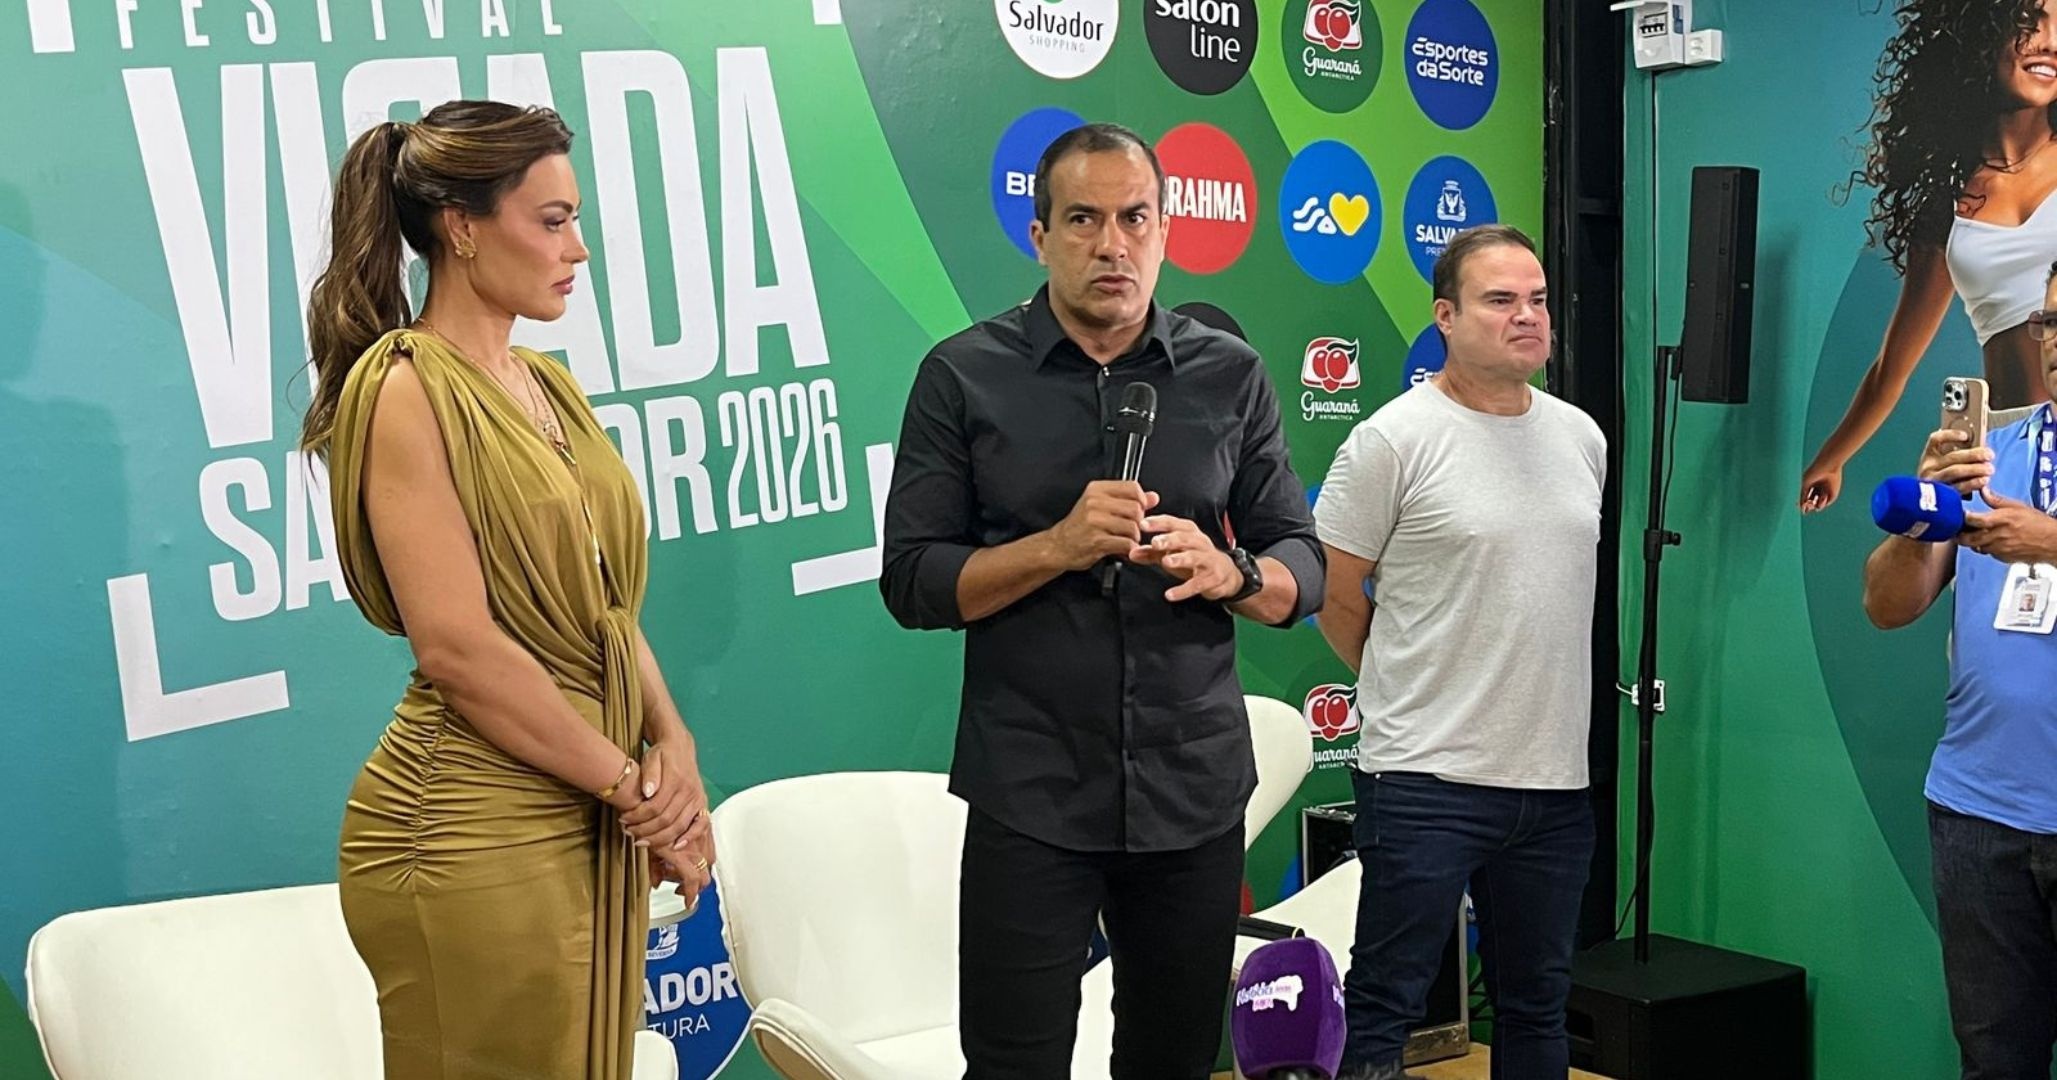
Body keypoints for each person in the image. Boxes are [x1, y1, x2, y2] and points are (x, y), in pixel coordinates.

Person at [879, 121, 1325, 1079]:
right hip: (1031, 788)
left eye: (1135, 219)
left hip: (1191, 790)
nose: (1112, 244)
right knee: (1013, 1065)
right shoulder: (962, 375)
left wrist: (1234, 573)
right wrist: (1055, 546)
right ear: (1039, 236)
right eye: (1083, 219)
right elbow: (913, 582)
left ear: (1165, 231)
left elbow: (1302, 564)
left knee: (1173, 1059)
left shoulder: (1228, 373)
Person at [299, 100, 713, 1079]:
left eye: (576, 220)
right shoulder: (403, 386)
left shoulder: (544, 382)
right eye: (553, 221)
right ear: (462, 227)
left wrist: (672, 748)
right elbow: (458, 649)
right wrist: (632, 790)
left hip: (584, 802)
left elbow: (599, 610)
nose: (578, 249)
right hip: (469, 830)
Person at [1314, 225, 1603, 1080]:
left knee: (1536, 1005)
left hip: (1553, 784)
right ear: (1445, 316)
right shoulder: (1392, 440)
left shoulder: (1580, 436)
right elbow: (1335, 592)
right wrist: (1407, 685)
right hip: (1423, 778)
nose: (1527, 316)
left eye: (1537, 299)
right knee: (1385, 1006)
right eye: (1500, 300)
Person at [1861, 261, 2057, 1080]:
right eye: (2051, 323)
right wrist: (1922, 517)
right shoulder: (1988, 456)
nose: (2055, 343)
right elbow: (1886, 605)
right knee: (1992, 1062)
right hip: (1978, 813)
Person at [1800, 0, 2057, 512]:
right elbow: (1891, 368)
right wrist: (1832, 457)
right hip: (1997, 451)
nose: (2051, 42)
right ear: (1977, 33)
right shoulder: (1947, 202)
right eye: (2029, 22)